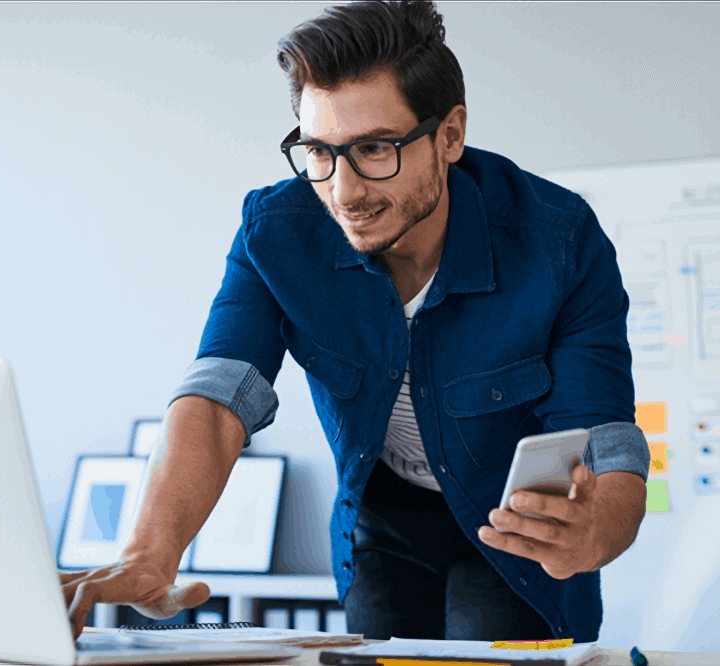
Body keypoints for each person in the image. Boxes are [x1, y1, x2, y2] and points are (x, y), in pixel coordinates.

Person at [59, 0, 650, 642]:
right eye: (319, 151)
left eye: (374, 149)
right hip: (384, 518)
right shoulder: (275, 232)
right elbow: (218, 396)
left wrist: (599, 533)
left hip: (512, 529)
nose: (344, 191)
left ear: (449, 135)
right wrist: (149, 551)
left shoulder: (559, 240)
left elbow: (606, 440)